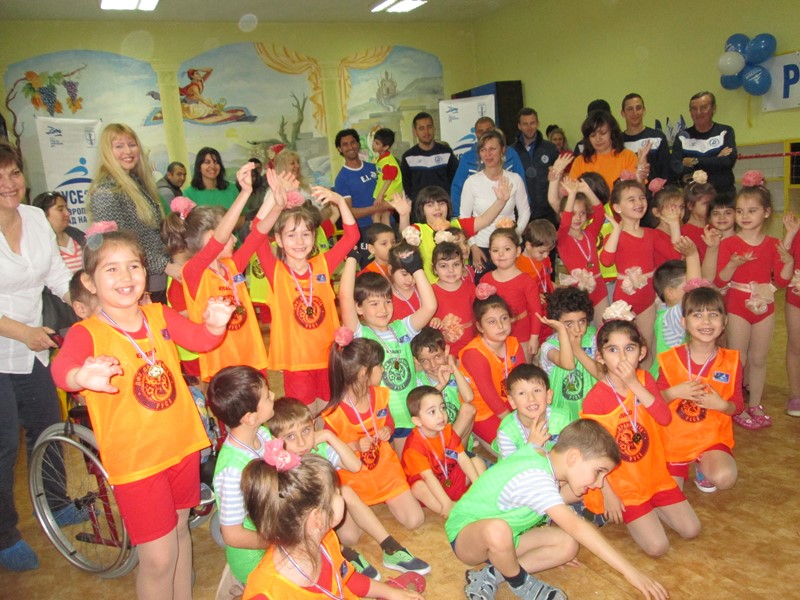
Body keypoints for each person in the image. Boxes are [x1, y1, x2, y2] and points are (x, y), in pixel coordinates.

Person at [52, 228, 235, 599]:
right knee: (158, 560)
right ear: (89, 281)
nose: (126, 276)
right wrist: (81, 376)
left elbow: (200, 339)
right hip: (137, 463)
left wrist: (215, 324)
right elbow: (61, 369)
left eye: (133, 266)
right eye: (112, 269)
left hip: (181, 447)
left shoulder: (158, 314)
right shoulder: (87, 333)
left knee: (180, 533)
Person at [447, 419, 669, 600]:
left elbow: (559, 507)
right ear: (573, 457)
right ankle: (520, 583)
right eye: (598, 472)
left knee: (567, 544)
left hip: (507, 538)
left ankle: (490, 575)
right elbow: (578, 527)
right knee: (498, 530)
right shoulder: (536, 477)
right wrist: (630, 572)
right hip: (467, 538)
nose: (599, 483)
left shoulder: (543, 456)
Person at [0, 142, 76, 572]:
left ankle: (57, 503)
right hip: (12, 339)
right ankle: (4, 533)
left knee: (48, 425)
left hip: (33, 344)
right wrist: (25, 333)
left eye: (13, 173)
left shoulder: (33, 217)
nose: (8, 184)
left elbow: (56, 274)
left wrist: (82, 301)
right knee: (4, 442)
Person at [269, 397, 430, 579]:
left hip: (329, 515)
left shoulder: (318, 449)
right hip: (307, 527)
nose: (301, 443)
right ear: (276, 440)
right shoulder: (278, 465)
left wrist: (328, 436)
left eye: (306, 431)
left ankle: (390, 547)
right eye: (290, 437)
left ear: (313, 426)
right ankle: (342, 552)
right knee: (348, 534)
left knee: (346, 497)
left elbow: (355, 466)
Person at [580, 319, 701, 557]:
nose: (622, 357)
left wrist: (633, 383)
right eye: (613, 350)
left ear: (642, 352)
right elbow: (593, 454)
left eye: (629, 348)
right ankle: (639, 512)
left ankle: (650, 509)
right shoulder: (595, 399)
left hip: (653, 476)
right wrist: (608, 494)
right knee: (657, 547)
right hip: (622, 484)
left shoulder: (644, 380)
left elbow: (664, 417)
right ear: (600, 357)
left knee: (691, 529)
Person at [240, 450, 424, 600]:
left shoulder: (326, 540)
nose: (341, 493)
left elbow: (345, 578)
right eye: (336, 492)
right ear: (318, 517)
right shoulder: (268, 594)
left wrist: (389, 593)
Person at [162, 164, 285, 384]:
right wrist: (244, 193)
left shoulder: (232, 265)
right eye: (231, 234)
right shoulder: (193, 272)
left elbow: (258, 234)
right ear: (211, 237)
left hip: (252, 358)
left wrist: (278, 205)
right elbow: (219, 241)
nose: (235, 239)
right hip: (223, 369)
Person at [256, 178, 359, 414]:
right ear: (279, 239)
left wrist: (339, 201)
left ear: (314, 237)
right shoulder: (275, 271)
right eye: (291, 235)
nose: (300, 241)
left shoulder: (323, 264)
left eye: (306, 234)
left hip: (328, 359)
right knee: (306, 418)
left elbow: (352, 236)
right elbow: (257, 233)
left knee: (330, 415)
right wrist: (275, 202)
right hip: (297, 364)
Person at [714, 172, 795, 429]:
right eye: (740, 211)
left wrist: (789, 262)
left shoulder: (773, 244)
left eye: (752, 211)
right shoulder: (729, 243)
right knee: (738, 359)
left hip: (765, 305)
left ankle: (756, 404)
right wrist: (732, 264)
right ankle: (736, 405)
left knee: (759, 358)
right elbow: (719, 280)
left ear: (767, 212)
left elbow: (781, 281)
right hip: (737, 305)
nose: (744, 216)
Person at [322, 336, 426, 534]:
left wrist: (388, 429)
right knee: (351, 537)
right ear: (363, 372)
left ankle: (387, 497)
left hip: (385, 470)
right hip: (354, 478)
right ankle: (360, 503)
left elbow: (388, 421)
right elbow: (328, 451)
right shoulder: (334, 412)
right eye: (379, 365)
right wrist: (354, 445)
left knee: (415, 519)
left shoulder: (379, 394)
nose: (383, 369)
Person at [339, 250, 437, 450]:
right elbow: (345, 297)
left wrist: (416, 268)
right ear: (359, 308)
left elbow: (429, 307)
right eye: (374, 304)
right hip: (385, 421)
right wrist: (352, 259)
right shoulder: (361, 334)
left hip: (411, 415)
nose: (383, 309)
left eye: (387, 301)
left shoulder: (402, 328)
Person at [657, 286, 743, 493]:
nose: (706, 322)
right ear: (684, 323)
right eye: (697, 315)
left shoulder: (731, 361)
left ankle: (702, 463)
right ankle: (679, 463)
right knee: (668, 493)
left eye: (713, 315)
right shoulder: (670, 359)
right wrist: (674, 393)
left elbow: (738, 405)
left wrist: (721, 405)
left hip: (710, 437)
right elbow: (655, 401)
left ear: (724, 321)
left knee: (725, 478)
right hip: (673, 439)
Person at [87, 123, 180, 303]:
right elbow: (117, 245)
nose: (128, 151)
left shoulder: (138, 182)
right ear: (107, 151)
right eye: (119, 146)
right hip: (137, 282)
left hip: (156, 277)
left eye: (132, 144)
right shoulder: (106, 191)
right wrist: (164, 265)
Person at [206, 365, 276, 591]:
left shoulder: (262, 434)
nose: (273, 395)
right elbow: (233, 535)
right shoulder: (233, 470)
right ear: (250, 417)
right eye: (267, 396)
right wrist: (279, 540)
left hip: (274, 534)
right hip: (255, 562)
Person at [600, 180, 681, 369]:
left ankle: (646, 385)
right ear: (617, 207)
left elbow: (675, 256)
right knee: (624, 347)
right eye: (631, 200)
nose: (639, 203)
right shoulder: (614, 235)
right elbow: (606, 261)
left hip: (647, 298)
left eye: (642, 198)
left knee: (646, 349)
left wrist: (674, 224)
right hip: (624, 299)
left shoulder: (650, 234)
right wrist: (617, 230)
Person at [401, 385, 485, 517]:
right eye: (432, 412)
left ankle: (478, 497)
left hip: (449, 478)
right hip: (433, 489)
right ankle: (451, 510)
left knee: (477, 462)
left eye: (442, 408)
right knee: (418, 488)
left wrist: (479, 486)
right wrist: (446, 503)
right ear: (417, 420)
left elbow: (463, 459)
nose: (441, 415)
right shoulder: (413, 446)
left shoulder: (447, 431)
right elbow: (428, 477)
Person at [397, 185, 505, 283]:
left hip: (461, 287)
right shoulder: (419, 229)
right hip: (431, 290)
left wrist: (501, 201)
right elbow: (405, 237)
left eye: (441, 203)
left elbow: (484, 220)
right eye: (430, 205)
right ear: (422, 210)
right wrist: (404, 216)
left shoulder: (457, 225)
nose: (437, 208)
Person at [458, 290, 524, 446]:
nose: (500, 326)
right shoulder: (474, 354)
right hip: (483, 410)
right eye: (492, 322)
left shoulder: (513, 344)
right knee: (513, 444)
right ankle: (475, 433)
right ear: (480, 327)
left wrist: (526, 413)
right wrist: (515, 423)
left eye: (504, 318)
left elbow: (523, 382)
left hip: (508, 401)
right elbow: (489, 396)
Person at [460, 131, 530, 277]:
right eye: (483, 150)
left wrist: (515, 235)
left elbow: (525, 211)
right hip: (481, 247)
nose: (488, 154)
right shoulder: (471, 182)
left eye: (492, 149)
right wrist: (473, 246)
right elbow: (464, 218)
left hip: (509, 247)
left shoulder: (515, 179)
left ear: (502, 150)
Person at [537, 288, 600, 427]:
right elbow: (568, 364)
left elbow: (600, 374)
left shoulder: (593, 339)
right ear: (556, 324)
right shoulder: (549, 346)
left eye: (582, 322)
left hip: (592, 411)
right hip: (561, 417)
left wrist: (577, 348)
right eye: (568, 324)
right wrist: (567, 338)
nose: (577, 329)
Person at [480, 227, 542, 361]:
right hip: (494, 337)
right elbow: (481, 312)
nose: (501, 254)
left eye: (507, 249)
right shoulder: (486, 279)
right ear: (490, 252)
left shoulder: (527, 281)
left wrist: (534, 337)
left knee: (522, 370)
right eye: (495, 250)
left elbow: (536, 311)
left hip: (521, 336)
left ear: (518, 251)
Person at [553, 174, 608, 323]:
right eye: (573, 214)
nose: (577, 218)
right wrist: (571, 195)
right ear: (562, 215)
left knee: (604, 328)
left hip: (599, 289)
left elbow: (600, 212)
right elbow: (565, 222)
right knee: (582, 331)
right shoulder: (562, 237)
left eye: (582, 213)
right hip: (577, 292)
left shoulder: (590, 233)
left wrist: (587, 190)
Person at [410, 326, 476, 445]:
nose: (433, 365)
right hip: (434, 439)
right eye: (425, 361)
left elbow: (469, 397)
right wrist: (441, 384)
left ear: (446, 351)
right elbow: (422, 407)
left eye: (437, 356)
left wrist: (453, 367)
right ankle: (446, 451)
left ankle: (451, 450)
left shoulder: (455, 374)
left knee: (469, 408)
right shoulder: (418, 381)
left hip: (458, 437)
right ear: (416, 361)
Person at [451, 116, 526, 215]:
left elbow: (522, 183)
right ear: (475, 133)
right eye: (480, 131)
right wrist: (457, 215)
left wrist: (523, 211)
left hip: (507, 212)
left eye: (488, 130)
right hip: (479, 214)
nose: (485, 133)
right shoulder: (467, 158)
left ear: (495, 129)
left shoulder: (511, 153)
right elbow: (457, 188)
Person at [333, 129, 386, 265]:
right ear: (339, 149)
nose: (350, 147)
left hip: (387, 223)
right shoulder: (342, 179)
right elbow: (350, 213)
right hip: (364, 230)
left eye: (353, 142)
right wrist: (377, 208)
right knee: (371, 273)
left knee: (396, 267)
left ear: (358, 144)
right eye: (345, 144)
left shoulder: (374, 167)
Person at [649, 245, 702, 379]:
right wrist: (692, 256)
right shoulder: (672, 315)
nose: (690, 288)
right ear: (670, 293)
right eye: (687, 285)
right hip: (669, 376)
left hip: (672, 373)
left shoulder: (665, 309)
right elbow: (695, 294)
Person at [671, 92, 737, 194]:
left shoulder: (725, 132)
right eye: (694, 109)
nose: (698, 112)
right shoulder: (682, 136)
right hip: (693, 197)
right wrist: (716, 158)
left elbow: (727, 162)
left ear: (714, 108)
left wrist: (695, 161)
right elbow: (676, 168)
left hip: (723, 196)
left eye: (703, 107)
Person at [569, 110, 648, 193]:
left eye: (603, 133)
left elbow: (638, 191)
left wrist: (641, 176)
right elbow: (572, 192)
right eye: (593, 135)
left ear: (612, 133)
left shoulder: (628, 156)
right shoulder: (580, 161)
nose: (598, 139)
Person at [492, 364, 554, 459]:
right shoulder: (507, 432)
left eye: (537, 390)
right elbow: (512, 466)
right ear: (512, 401)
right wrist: (530, 447)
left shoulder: (562, 419)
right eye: (522, 393)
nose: (531, 398)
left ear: (548, 396)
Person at [400, 112, 459, 211]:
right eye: (421, 128)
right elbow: (407, 186)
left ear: (434, 128)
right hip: (419, 211)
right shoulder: (408, 157)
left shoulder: (446, 152)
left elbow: (455, 181)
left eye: (429, 127)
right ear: (415, 131)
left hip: (443, 209)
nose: (426, 132)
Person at [511, 108, 559, 225]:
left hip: (548, 210)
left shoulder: (550, 148)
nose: (529, 127)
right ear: (519, 126)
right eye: (525, 124)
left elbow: (558, 178)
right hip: (521, 211)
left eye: (532, 123)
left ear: (537, 123)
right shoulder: (512, 152)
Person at [428, 241, 477, 357]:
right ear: (434, 269)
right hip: (444, 354)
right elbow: (424, 322)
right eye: (443, 266)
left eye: (456, 264)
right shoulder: (430, 292)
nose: (451, 270)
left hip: (472, 349)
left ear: (463, 265)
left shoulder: (471, 288)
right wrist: (431, 320)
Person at [620, 94, 671, 183]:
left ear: (644, 111)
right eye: (630, 109)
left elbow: (666, 173)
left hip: (654, 191)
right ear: (623, 113)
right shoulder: (617, 142)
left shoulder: (658, 138)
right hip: (627, 191)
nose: (635, 113)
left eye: (638, 108)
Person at [32, 191, 85, 272]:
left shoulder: (77, 234)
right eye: (60, 209)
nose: (67, 213)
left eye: (67, 209)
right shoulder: (37, 246)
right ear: (43, 214)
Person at [372, 127, 403, 225]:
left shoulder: (388, 162)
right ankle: (386, 235)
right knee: (385, 217)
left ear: (385, 147)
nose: (373, 145)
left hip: (388, 195)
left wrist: (380, 196)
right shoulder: (382, 158)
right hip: (388, 194)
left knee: (376, 216)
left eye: (377, 143)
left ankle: (378, 234)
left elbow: (389, 179)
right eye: (374, 142)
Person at [786, 213, 800, 416]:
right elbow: (783, 261)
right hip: (796, 296)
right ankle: (796, 395)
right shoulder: (797, 231)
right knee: (796, 345)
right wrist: (790, 234)